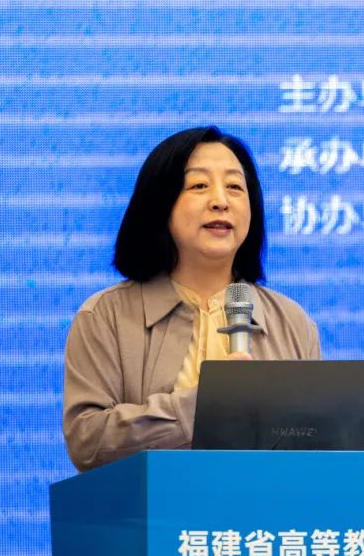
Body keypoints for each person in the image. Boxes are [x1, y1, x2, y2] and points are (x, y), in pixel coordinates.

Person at [62, 127, 321, 471]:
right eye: (199, 186)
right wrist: (200, 407)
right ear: (161, 202)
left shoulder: (292, 323)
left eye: (235, 187)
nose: (220, 201)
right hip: (157, 506)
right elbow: (88, 442)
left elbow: (315, 454)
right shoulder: (105, 317)